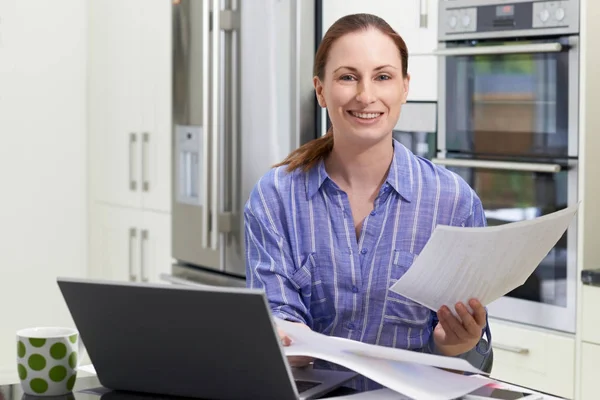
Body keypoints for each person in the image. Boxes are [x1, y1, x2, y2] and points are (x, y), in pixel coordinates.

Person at [243, 13, 492, 391]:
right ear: (321, 90)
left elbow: (478, 359)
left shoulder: (454, 202)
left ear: (405, 87)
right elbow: (277, 317)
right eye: (347, 77)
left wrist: (456, 346)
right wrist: (283, 339)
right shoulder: (275, 197)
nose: (365, 95)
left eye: (383, 76)